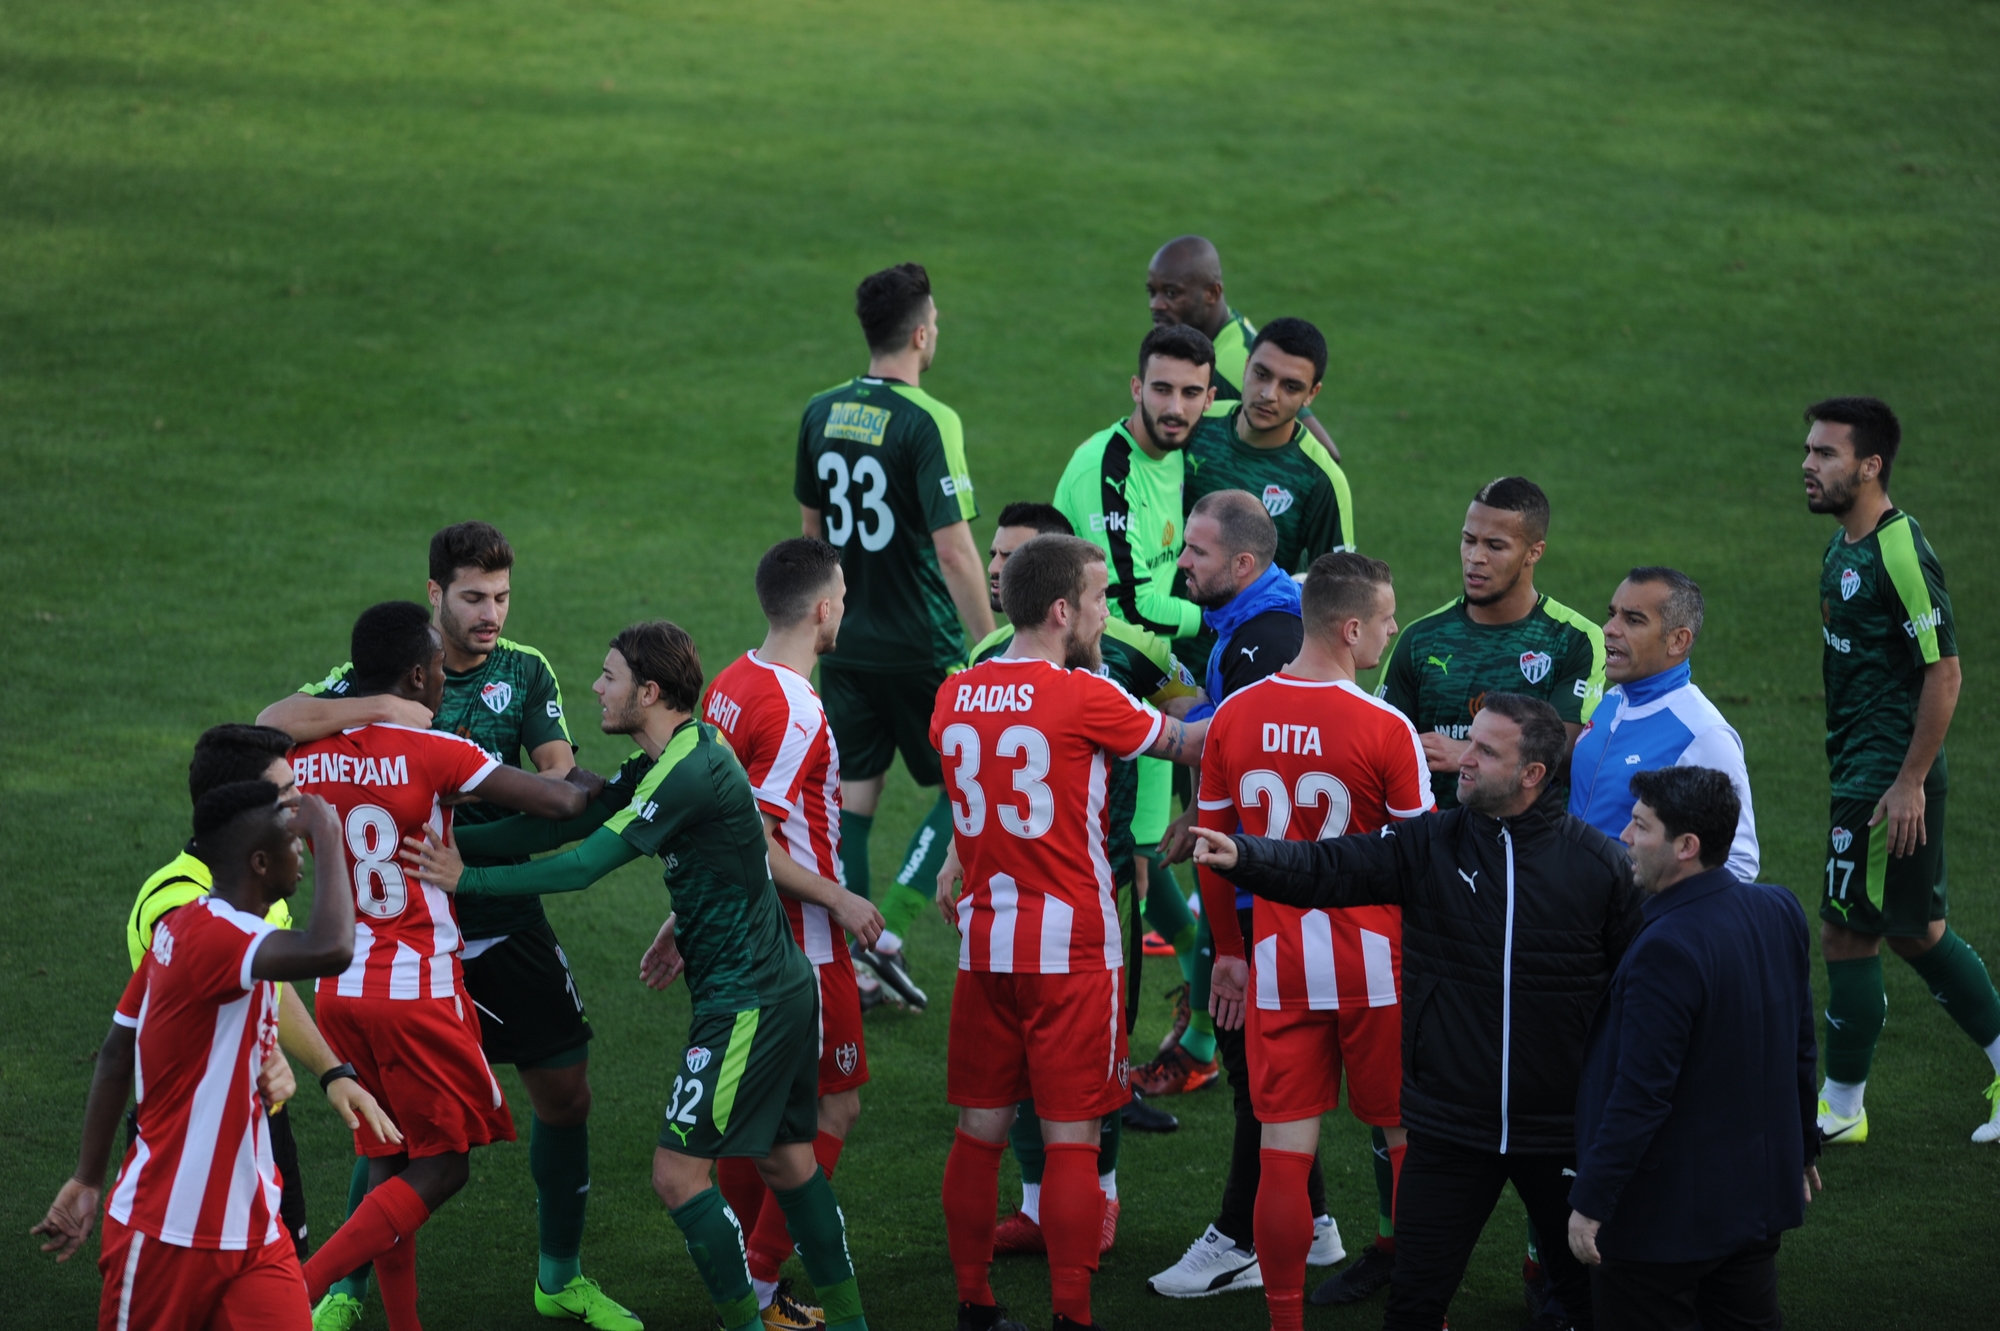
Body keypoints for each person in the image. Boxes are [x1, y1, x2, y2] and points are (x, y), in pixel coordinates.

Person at [407, 621, 873, 1331]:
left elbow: (583, 864)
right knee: (788, 1163)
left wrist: (465, 877)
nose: (596, 687)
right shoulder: (671, 756)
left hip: (747, 999)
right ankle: (851, 1321)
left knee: (677, 1175)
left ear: (648, 691)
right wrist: (444, 835)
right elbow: (561, 826)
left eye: (610, 677)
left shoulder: (687, 770)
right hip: (769, 987)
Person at [259, 522, 631, 1331]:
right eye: (473, 596)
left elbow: (556, 770)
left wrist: (470, 855)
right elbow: (562, 799)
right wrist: (639, 784)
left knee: (556, 1094)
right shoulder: (399, 703)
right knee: (419, 1148)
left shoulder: (523, 670)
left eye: (502, 596)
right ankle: (335, 1289)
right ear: (435, 598)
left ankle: (559, 1277)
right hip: (421, 956)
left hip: (479, 927)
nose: (490, 612)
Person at [1191, 693, 1644, 1331]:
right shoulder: (1432, 843)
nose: (1464, 759)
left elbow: (1638, 995)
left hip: (1558, 1132)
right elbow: (1330, 867)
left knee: (1591, 1302)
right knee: (1412, 1309)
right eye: (1470, 742)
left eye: (1485, 751)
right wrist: (1248, 857)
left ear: (1533, 774)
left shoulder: (1599, 867)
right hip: (1451, 1129)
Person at [929, 534, 1207, 1331]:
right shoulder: (1088, 694)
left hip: (985, 945)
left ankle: (975, 1305)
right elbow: (1189, 740)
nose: (1105, 613)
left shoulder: (956, 694)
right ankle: (1072, 1316)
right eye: (1098, 599)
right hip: (1075, 951)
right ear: (1062, 610)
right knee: (1074, 1141)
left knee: (978, 1134)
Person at [1370, 476, 1604, 1313]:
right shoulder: (1422, 638)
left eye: (1495, 544)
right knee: (1409, 1068)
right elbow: (1383, 745)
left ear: (1533, 550)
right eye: (1469, 539)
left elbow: (1564, 747)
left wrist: (1457, 751)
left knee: (1538, 1079)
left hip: (1536, 890)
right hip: (1437, 884)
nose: (1474, 556)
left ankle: (1550, 1266)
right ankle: (1397, 1244)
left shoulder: (1571, 639)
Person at [1193, 552, 1434, 1331]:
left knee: (1284, 1154)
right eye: (1387, 618)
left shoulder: (1234, 716)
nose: (1394, 630)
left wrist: (1229, 952)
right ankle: (1422, 1312)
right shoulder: (1386, 726)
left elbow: (1210, 850)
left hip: (1278, 965)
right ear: (1352, 627)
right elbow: (1420, 862)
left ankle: (1285, 1320)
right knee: (1405, 1139)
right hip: (1376, 968)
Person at [34, 782, 357, 1331]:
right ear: (260, 863)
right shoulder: (221, 938)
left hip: (254, 1228)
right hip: (167, 1230)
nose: (300, 849)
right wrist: (328, 833)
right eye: (291, 842)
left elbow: (118, 1049)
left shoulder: (187, 925)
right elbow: (333, 947)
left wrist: (88, 1178)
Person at [1143, 493, 1340, 1301]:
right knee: (1260, 1064)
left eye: (1196, 551)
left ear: (1244, 564)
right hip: (1259, 886)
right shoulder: (1252, 624)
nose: (1182, 563)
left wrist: (1123, 709)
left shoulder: (1267, 642)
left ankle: (1242, 1238)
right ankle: (1312, 1222)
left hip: (1266, 901)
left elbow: (1225, 744)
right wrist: (1199, 808)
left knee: (1260, 1071)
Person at [794, 261, 994, 1012]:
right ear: (919, 335)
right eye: (935, 322)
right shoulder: (929, 420)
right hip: (923, 644)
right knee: (966, 783)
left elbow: (810, 538)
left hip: (843, 640)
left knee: (854, 794)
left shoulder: (820, 411)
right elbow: (955, 551)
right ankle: (891, 930)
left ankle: (853, 962)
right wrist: (990, 647)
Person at [124, 725, 401, 1264]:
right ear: (240, 805)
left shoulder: (257, 883)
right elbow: (321, 951)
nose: (302, 805)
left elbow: (267, 987)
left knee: (286, 1270)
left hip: (257, 1114)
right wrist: (330, 837)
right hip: (189, 1135)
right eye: (287, 795)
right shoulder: (177, 902)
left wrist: (332, 1072)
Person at [1801, 397, 2000, 1145]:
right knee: (1917, 931)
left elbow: (1945, 671)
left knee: (1846, 933)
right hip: (1864, 766)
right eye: (1809, 450)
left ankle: (1841, 1105)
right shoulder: (1842, 547)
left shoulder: (1898, 551)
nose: (1808, 465)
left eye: (1826, 454)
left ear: (1870, 465)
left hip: (1884, 779)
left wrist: (1909, 780)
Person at [702, 538, 886, 1328]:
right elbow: (754, 837)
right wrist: (840, 899)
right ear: (822, 609)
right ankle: (758, 1278)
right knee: (834, 1109)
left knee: (755, 1114)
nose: (844, 608)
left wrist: (680, 919)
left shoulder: (729, 684)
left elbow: (713, 822)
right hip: (800, 945)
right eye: (841, 597)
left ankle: (750, 1275)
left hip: (733, 935)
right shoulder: (796, 707)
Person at [1567, 767, 1820, 1331]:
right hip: (1753, 1207)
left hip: (1663, 1225)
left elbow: (1640, 1094)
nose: (1625, 837)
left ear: (1686, 846)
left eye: (1641, 826)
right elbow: (1800, 1050)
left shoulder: (1667, 945)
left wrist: (1592, 1202)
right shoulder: (1780, 910)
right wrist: (1803, 1149)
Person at [1053, 329, 1218, 1074]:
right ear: (1135, 388)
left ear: (1210, 397)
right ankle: (1113, 1069)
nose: (1175, 406)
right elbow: (1129, 603)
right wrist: (1221, 615)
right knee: (1136, 867)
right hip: (1119, 674)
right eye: (1162, 390)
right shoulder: (1106, 467)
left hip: (1159, 669)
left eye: (1191, 392)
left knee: (1157, 857)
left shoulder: (1184, 454)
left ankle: (1194, 1021)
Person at [1568, 568, 1758, 880]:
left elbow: (1738, 864)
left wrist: (1658, 904)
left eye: (1633, 620)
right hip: (1568, 898)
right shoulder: (1612, 701)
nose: (1609, 629)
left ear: (1678, 641)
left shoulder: (1704, 735)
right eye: (1612, 615)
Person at [1182, 318, 1355, 582]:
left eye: (1291, 387)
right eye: (1261, 374)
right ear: (1246, 366)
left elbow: (1339, 588)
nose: (1269, 394)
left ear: (1311, 394)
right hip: (1158, 605)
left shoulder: (1321, 479)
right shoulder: (1194, 421)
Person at [1147, 235, 1342, 460]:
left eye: (1171, 293)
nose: (1156, 304)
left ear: (1212, 294)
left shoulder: (1230, 366)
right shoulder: (1227, 326)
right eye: (1152, 292)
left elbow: (1325, 454)